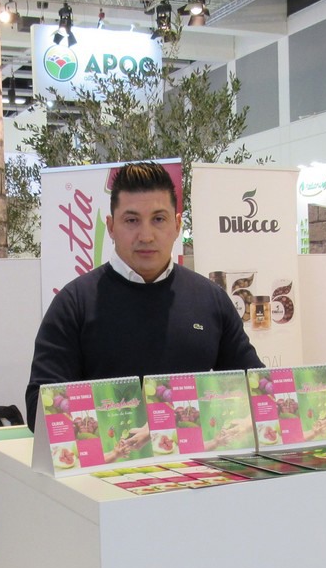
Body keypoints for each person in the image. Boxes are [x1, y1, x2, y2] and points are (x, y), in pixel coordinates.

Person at [26, 161, 263, 428]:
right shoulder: (74, 304)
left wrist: (175, 420)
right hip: (110, 453)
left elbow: (258, 391)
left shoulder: (211, 300)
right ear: (111, 226)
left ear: (177, 225)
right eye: (131, 220)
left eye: (158, 219)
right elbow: (39, 410)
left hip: (198, 452)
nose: (146, 236)